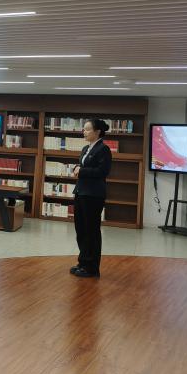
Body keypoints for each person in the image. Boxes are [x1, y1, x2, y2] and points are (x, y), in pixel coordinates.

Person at [71, 119, 112, 278]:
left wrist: (82, 171)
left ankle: (92, 268)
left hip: (93, 195)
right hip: (81, 192)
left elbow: (103, 171)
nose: (84, 132)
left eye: (87, 129)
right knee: (81, 230)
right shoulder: (85, 148)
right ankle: (83, 262)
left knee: (91, 231)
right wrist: (77, 168)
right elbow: (83, 166)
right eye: (84, 129)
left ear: (97, 132)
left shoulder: (103, 149)